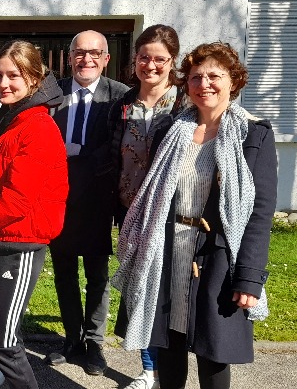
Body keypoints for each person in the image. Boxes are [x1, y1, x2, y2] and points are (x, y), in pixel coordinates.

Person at [112, 42, 275, 389]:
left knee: (212, 355)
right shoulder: (171, 130)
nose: (204, 84)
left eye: (214, 76)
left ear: (234, 81)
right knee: (168, 346)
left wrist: (249, 278)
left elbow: (260, 213)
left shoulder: (253, 134)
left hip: (218, 258)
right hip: (168, 252)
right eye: (196, 77)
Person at [0, 40, 68, 389]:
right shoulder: (4, 118)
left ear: (33, 78)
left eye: (13, 76)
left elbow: (16, 201)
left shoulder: (38, 127)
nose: (3, 83)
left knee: (3, 344)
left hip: (19, 247)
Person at [46, 30, 129, 375]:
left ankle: (94, 343)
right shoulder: (52, 93)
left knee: (97, 274)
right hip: (58, 197)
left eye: (95, 53)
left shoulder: (120, 96)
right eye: (80, 53)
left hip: (97, 197)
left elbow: (120, 145)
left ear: (106, 59)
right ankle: (71, 339)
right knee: (63, 272)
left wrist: (79, 156)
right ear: (69, 58)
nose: (87, 59)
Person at [107, 24, 185, 389]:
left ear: (172, 61)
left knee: (163, 292)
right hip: (130, 213)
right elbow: (112, 156)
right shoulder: (123, 104)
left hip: (168, 215)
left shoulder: (185, 104)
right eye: (143, 57)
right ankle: (149, 370)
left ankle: (165, 370)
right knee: (138, 289)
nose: (150, 65)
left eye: (159, 59)